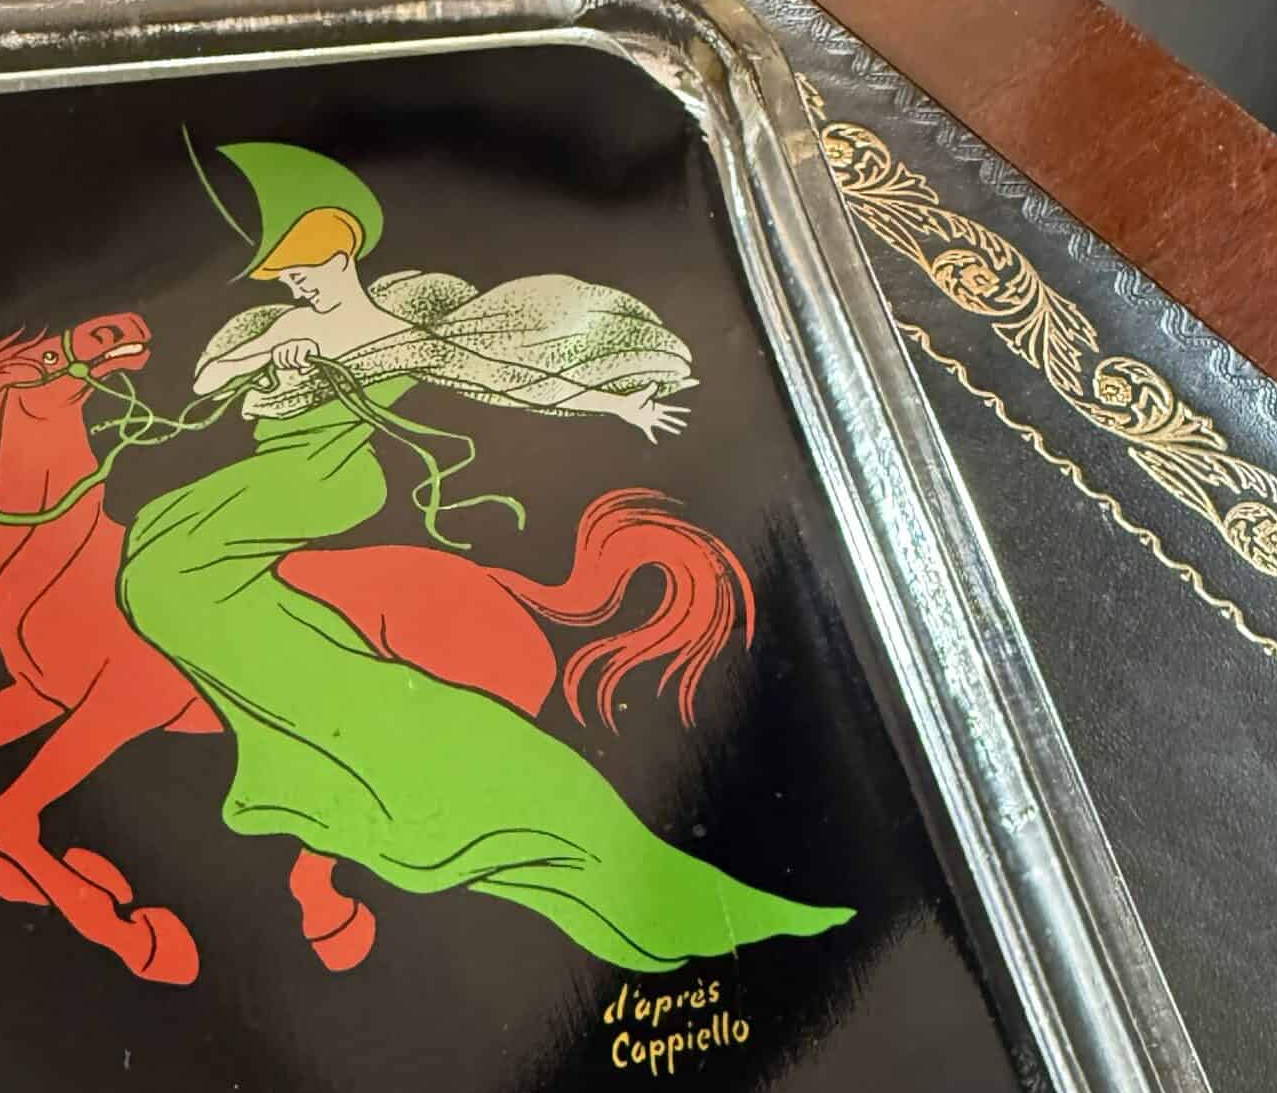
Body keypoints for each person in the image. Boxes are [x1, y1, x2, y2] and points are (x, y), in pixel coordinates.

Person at [112, 138, 852, 974]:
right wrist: (274, 351)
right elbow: (208, 381)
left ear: (343, 251)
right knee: (158, 570)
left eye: (304, 270)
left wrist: (616, 404)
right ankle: (330, 713)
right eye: (285, 277)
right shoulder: (288, 322)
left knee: (164, 572)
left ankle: (484, 793)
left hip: (321, 481)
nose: (295, 286)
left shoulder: (393, 332)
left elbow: (495, 374)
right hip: (261, 481)